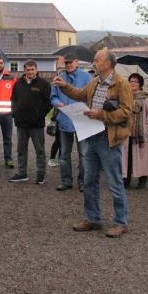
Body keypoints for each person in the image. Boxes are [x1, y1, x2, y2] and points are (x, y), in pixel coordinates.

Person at [53, 48, 132, 238]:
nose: (94, 63)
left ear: (108, 63)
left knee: (114, 182)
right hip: (91, 135)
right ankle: (93, 218)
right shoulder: (94, 81)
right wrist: (64, 86)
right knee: (89, 180)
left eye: (97, 60)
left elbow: (126, 111)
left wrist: (101, 114)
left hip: (108, 138)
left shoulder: (121, 84)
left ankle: (120, 222)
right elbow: (80, 94)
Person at [50, 54, 92, 192]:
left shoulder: (87, 77)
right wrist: (57, 103)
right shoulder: (59, 77)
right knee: (64, 154)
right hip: (65, 119)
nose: (68, 65)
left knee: (84, 154)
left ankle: (83, 182)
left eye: (70, 62)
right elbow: (53, 96)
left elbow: (91, 96)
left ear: (77, 62)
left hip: (82, 120)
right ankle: (66, 181)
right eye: (66, 62)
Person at [8, 60, 53, 184]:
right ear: (24, 70)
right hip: (21, 123)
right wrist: (15, 113)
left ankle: (41, 175)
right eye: (28, 69)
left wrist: (39, 115)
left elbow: (48, 104)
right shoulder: (18, 83)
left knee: (40, 150)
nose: (30, 72)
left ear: (36, 70)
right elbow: (13, 99)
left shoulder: (43, 84)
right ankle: (22, 173)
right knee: (21, 149)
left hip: (36, 124)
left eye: (32, 69)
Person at [122, 73, 148, 189]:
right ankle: (126, 179)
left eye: (135, 81)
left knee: (142, 157)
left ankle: (142, 179)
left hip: (141, 133)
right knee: (127, 157)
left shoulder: (146, 98)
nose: (132, 83)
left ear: (140, 83)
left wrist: (147, 127)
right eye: (130, 81)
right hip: (127, 132)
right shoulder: (126, 96)